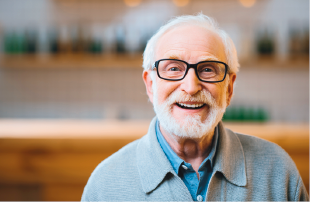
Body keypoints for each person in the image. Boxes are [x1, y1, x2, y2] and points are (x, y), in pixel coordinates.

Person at [81, 13, 309, 201]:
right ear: (151, 85)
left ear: (229, 88)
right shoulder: (105, 185)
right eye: (173, 69)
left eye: (208, 69)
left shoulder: (278, 173)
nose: (191, 87)